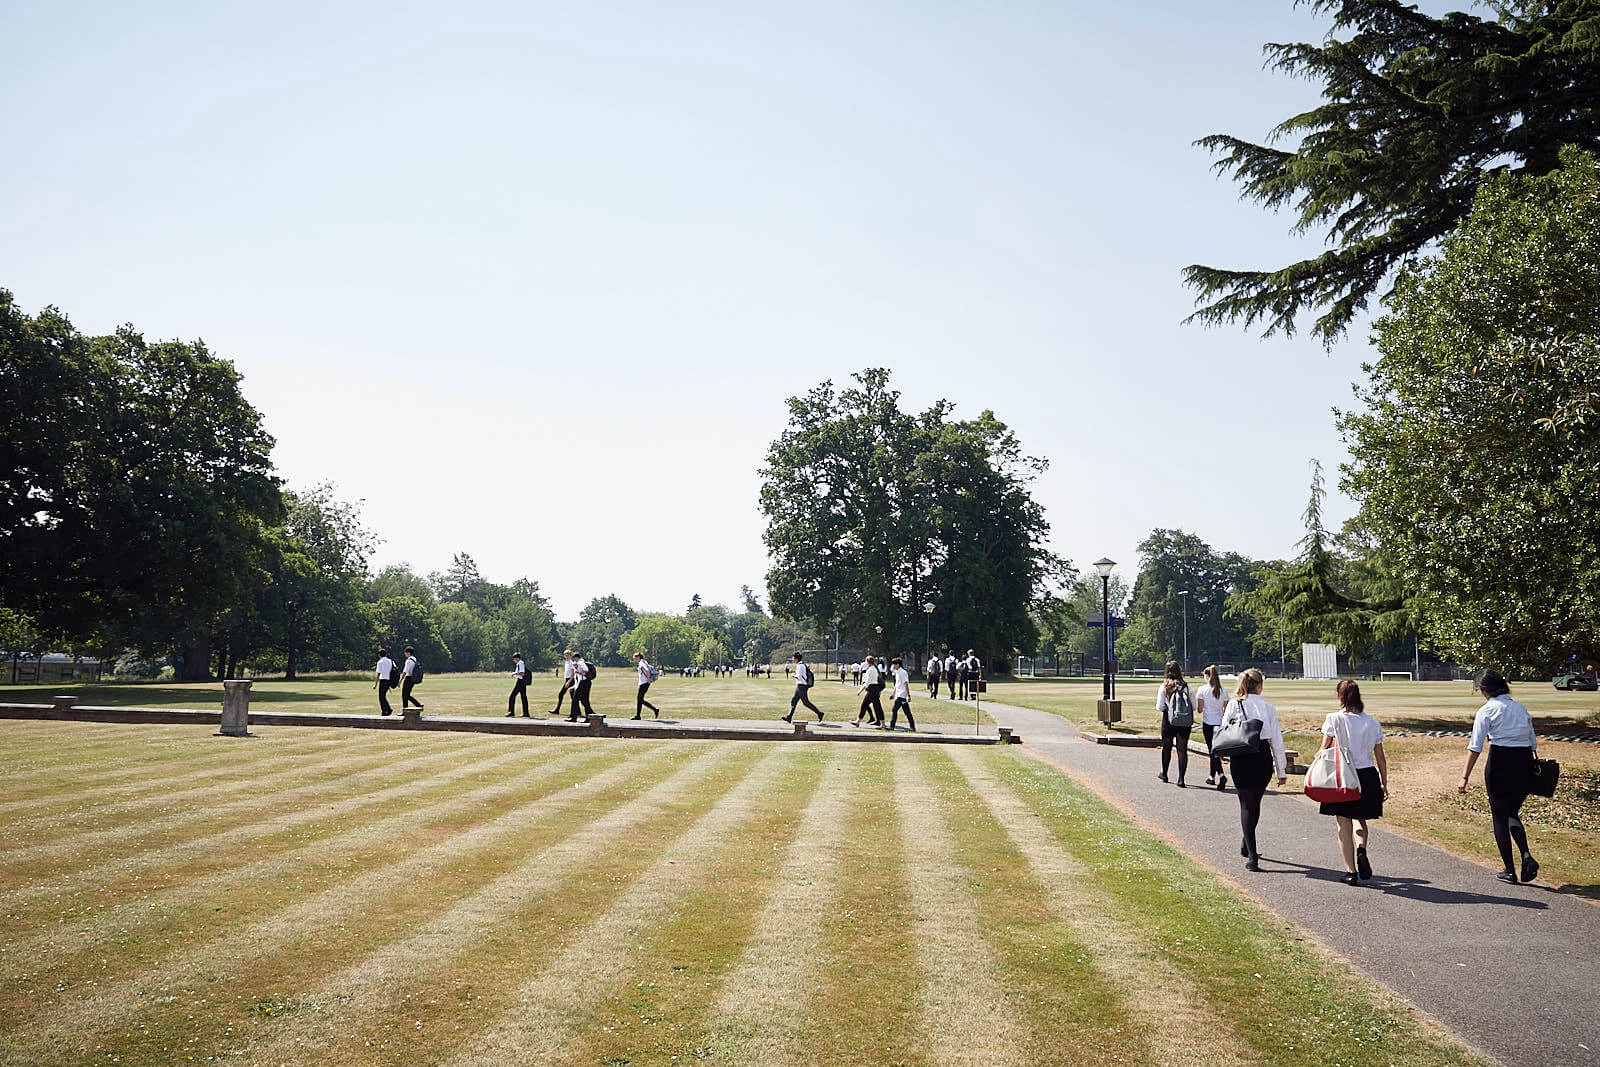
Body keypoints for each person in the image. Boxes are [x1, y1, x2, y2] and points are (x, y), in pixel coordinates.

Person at [1458, 669, 1541, 883]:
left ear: (1485, 690)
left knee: (1499, 816)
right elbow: (1533, 742)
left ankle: (1509, 870)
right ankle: (1526, 855)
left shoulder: (1486, 711)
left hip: (1500, 762)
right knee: (1512, 811)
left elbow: (1475, 747)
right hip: (1524, 762)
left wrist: (1464, 777)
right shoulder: (1521, 708)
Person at [1317, 680, 1389, 886]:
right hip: (1366, 774)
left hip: (1343, 775)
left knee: (1343, 823)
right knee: (1360, 819)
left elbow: (1325, 749)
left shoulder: (1333, 719)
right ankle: (1362, 849)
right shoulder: (1372, 723)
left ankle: (1350, 871)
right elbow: (1380, 757)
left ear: (1340, 696)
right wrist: (1384, 783)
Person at [1225, 668, 1287, 871]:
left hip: (1241, 755)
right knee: (1255, 802)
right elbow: (1276, 740)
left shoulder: (1235, 703)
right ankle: (1248, 843)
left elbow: (1225, 728)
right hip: (1262, 756)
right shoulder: (1268, 707)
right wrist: (1281, 769)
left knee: (1245, 804)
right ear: (1259, 686)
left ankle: (1251, 852)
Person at [1155, 660, 1193, 787]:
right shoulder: (1187, 686)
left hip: (1168, 719)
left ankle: (1165, 773)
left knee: (1166, 747)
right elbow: (1192, 706)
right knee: (1182, 750)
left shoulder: (1164, 686)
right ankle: (1181, 779)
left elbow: (1160, 706)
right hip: (1184, 721)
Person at [1196, 665, 1229, 789]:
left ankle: (1221, 775)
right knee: (1214, 751)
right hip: (1219, 723)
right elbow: (1226, 709)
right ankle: (1211, 776)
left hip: (1208, 723)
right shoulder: (1223, 690)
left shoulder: (1202, 689)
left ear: (1207, 676)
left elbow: (1199, 709)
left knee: (1212, 750)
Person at [783, 652, 823, 723]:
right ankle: (789, 717)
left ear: (796, 659)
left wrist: (793, 675)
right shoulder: (801, 665)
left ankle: (819, 713)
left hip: (802, 686)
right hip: (800, 686)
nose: (792, 659)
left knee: (805, 702)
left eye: (793, 658)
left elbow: (799, 676)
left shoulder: (800, 666)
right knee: (794, 700)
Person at [853, 656, 885, 728]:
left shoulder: (871, 670)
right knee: (865, 705)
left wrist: (860, 691)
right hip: (873, 689)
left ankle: (882, 724)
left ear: (868, 662)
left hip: (872, 689)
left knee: (877, 707)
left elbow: (867, 682)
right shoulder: (873, 669)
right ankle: (858, 721)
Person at [888, 656, 916, 731]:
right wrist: (893, 694)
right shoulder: (897, 672)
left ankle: (892, 726)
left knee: (894, 709)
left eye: (894, 664)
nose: (893, 666)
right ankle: (912, 727)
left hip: (902, 695)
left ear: (898, 664)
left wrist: (908, 695)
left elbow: (906, 684)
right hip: (899, 695)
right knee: (907, 712)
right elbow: (897, 685)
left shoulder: (903, 673)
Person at [631, 652, 660, 719]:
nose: (634, 660)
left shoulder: (641, 663)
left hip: (644, 683)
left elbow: (647, 671)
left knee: (640, 699)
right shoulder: (644, 662)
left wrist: (648, 679)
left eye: (635, 658)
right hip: (645, 683)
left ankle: (653, 710)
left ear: (638, 657)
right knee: (640, 699)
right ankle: (640, 714)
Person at [568, 652, 595, 721]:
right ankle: (589, 717)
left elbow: (586, 670)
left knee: (575, 700)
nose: (574, 661)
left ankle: (574, 717)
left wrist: (578, 672)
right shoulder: (581, 662)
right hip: (586, 683)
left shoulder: (580, 663)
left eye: (574, 659)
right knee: (585, 700)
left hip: (583, 683)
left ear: (576, 657)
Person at [550, 650, 575, 715]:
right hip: (567, 680)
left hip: (570, 680)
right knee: (573, 697)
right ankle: (577, 711)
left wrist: (568, 682)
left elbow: (573, 673)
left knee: (561, 694)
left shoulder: (571, 663)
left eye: (567, 655)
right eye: (565, 655)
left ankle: (557, 710)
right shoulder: (566, 662)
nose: (566, 656)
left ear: (570, 655)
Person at [399, 645, 423, 712]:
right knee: (407, 695)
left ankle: (416, 706)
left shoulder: (409, 661)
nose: (405, 654)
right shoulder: (414, 659)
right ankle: (418, 705)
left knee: (405, 695)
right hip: (413, 679)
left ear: (408, 653)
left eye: (405, 653)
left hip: (408, 679)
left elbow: (405, 672)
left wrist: (400, 681)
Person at [506, 652, 530, 717]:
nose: (513, 660)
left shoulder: (520, 663)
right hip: (522, 681)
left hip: (521, 681)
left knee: (512, 696)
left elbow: (522, 673)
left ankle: (511, 712)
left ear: (517, 658)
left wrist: (515, 673)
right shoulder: (520, 663)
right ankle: (526, 713)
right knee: (523, 697)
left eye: (514, 659)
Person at [374, 648, 396, 716]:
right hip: (389, 680)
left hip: (383, 680)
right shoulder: (391, 661)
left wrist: (375, 684)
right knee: (383, 696)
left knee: (381, 696)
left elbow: (378, 674)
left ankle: (386, 711)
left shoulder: (380, 662)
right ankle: (388, 709)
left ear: (380, 655)